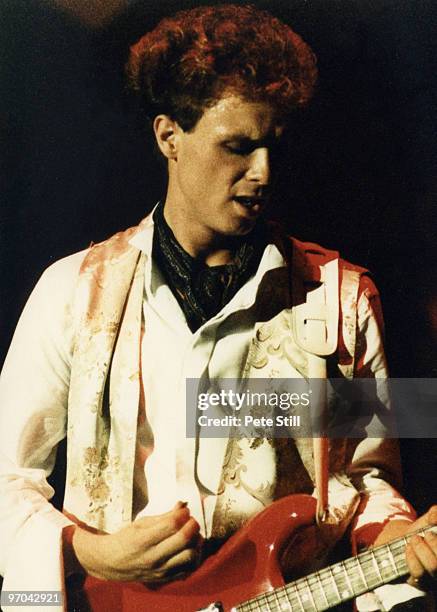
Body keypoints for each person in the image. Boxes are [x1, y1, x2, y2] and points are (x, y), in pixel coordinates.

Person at [0, 5, 436, 611]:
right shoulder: (70, 291)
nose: (263, 172)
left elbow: (365, 481)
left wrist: (393, 535)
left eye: (273, 147)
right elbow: (7, 477)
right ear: (168, 136)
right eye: (238, 146)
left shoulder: (343, 296)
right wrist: (88, 550)